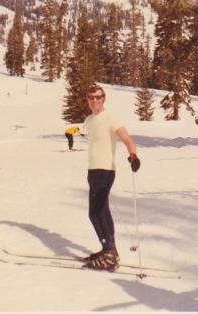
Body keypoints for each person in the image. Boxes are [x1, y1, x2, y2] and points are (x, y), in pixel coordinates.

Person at [83, 84, 140, 271]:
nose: (94, 101)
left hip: (106, 170)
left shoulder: (110, 118)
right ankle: (109, 249)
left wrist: (133, 155)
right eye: (91, 97)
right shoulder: (89, 120)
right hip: (93, 170)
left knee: (95, 212)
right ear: (88, 100)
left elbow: (127, 139)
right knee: (103, 211)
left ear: (103, 99)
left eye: (98, 97)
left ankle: (109, 252)